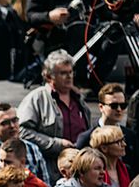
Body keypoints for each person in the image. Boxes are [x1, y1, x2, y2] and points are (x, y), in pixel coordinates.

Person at [18, 50, 91, 179]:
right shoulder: (37, 98)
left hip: (81, 170)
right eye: (63, 73)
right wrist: (56, 144)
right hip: (52, 170)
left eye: (70, 72)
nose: (69, 76)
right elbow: (22, 131)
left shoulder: (78, 99)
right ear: (48, 76)